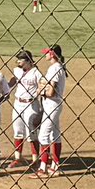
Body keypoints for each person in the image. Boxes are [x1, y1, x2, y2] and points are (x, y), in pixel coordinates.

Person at [34, 44, 67, 178]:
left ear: (52, 54)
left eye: (47, 52)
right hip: (56, 105)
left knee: (43, 136)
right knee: (55, 135)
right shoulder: (59, 67)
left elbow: (51, 92)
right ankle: (55, 166)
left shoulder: (54, 69)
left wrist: (41, 92)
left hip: (51, 104)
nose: (45, 54)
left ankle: (43, 169)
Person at [8, 50, 42, 169]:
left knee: (31, 132)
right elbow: (12, 81)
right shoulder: (17, 70)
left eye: (20, 60)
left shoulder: (36, 73)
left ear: (28, 61)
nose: (18, 62)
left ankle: (35, 159)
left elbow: (42, 87)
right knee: (18, 131)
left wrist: (41, 107)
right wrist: (5, 88)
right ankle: (18, 158)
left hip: (31, 105)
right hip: (18, 103)